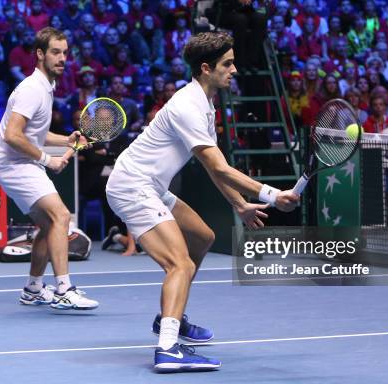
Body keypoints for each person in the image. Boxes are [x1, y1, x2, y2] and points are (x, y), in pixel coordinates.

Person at [105, 32, 299, 372]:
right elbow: (218, 166)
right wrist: (269, 193)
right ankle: (167, 348)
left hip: (152, 184)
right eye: (228, 64)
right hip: (132, 185)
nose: (234, 70)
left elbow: (215, 168)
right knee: (179, 264)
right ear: (206, 68)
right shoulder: (187, 106)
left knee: (202, 237)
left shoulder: (205, 105)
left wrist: (239, 205)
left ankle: (171, 317)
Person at [0, 27, 98, 311]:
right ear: (40, 54)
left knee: (50, 224)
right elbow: (13, 136)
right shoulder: (31, 89)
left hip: (18, 163)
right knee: (62, 215)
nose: (62, 58)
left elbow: (35, 133)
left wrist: (66, 139)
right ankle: (64, 288)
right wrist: (46, 160)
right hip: (14, 164)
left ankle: (34, 288)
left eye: (65, 53)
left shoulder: (45, 87)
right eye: (55, 52)